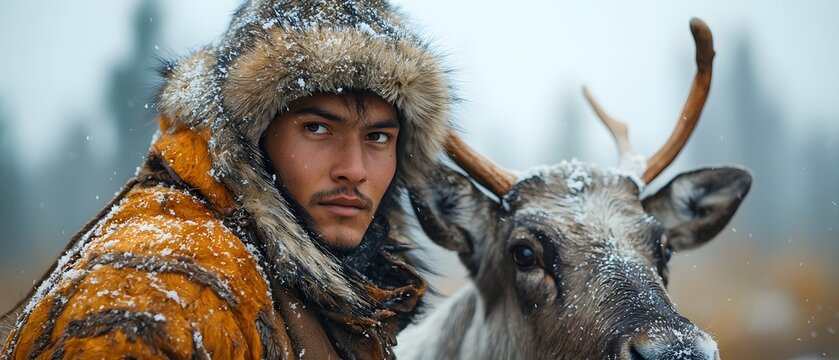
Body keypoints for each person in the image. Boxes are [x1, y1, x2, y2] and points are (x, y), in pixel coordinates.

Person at [1, 0, 451, 358]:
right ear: (250, 137)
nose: (353, 168)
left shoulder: (324, 274)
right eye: (317, 128)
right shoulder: (160, 286)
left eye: (377, 137)